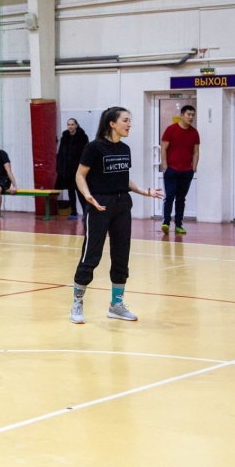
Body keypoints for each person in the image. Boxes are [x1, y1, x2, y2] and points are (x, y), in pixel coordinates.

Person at [70, 107, 163, 325]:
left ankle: (116, 305)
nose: (129, 124)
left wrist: (144, 191)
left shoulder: (124, 148)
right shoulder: (93, 147)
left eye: (129, 120)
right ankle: (77, 303)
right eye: (125, 120)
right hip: (99, 205)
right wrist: (88, 196)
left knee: (121, 255)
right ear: (112, 123)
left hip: (122, 205)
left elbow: (123, 177)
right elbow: (80, 175)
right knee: (91, 255)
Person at [160, 105, 199, 234]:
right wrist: (165, 166)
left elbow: (196, 152)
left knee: (181, 199)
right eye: (188, 114)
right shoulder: (171, 129)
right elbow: (163, 148)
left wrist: (193, 168)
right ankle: (166, 223)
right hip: (171, 170)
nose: (191, 117)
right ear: (182, 115)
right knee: (169, 197)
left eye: (193, 115)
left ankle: (178, 224)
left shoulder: (194, 133)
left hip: (186, 171)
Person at [56, 118, 89, 219]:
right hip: (68, 169)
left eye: (72, 124)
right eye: (68, 125)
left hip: (78, 169)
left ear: (76, 125)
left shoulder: (83, 137)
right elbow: (61, 152)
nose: (70, 127)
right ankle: (73, 212)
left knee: (80, 191)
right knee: (71, 191)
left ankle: (85, 212)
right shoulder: (64, 137)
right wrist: (60, 166)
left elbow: (86, 153)